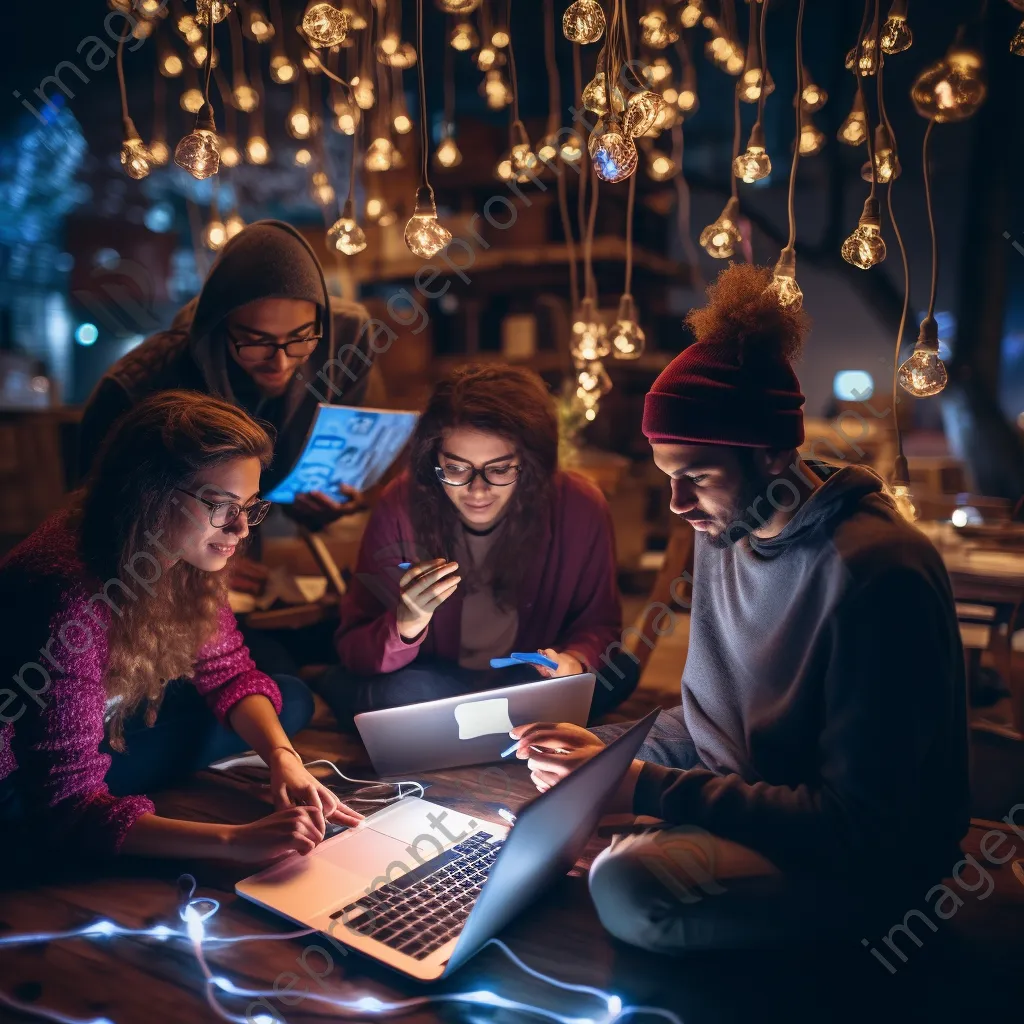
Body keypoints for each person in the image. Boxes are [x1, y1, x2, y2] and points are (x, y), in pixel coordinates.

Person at [509, 264, 969, 950]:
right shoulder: (728, 531)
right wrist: (603, 758)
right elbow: (716, 722)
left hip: (869, 866)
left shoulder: (876, 574)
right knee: (540, 822)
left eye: (695, 476)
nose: (677, 505)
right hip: (755, 811)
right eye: (668, 475)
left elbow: (861, 823)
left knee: (627, 886)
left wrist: (641, 790)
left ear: (775, 455)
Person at [0, 391, 362, 869]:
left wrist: (282, 758)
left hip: (98, 720)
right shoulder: (71, 596)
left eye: (250, 507)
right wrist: (234, 842)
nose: (241, 529)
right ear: (149, 493)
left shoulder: (179, 552)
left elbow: (228, 672)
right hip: (19, 780)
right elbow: (66, 805)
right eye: (221, 506)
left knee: (288, 700)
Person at [78, 220, 386, 594]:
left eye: (300, 340)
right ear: (219, 328)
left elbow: (297, 476)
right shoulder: (138, 388)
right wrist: (194, 562)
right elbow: (91, 522)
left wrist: (318, 499)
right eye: (257, 342)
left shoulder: (344, 346)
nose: (281, 363)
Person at [318, 364, 631, 722]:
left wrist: (574, 661)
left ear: (530, 463)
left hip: (522, 678)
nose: (477, 490)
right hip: (429, 678)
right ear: (434, 459)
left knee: (620, 671)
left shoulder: (579, 504)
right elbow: (354, 647)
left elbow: (601, 625)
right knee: (411, 694)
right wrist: (406, 625)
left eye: (499, 470)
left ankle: (478, 722)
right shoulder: (402, 502)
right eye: (456, 469)